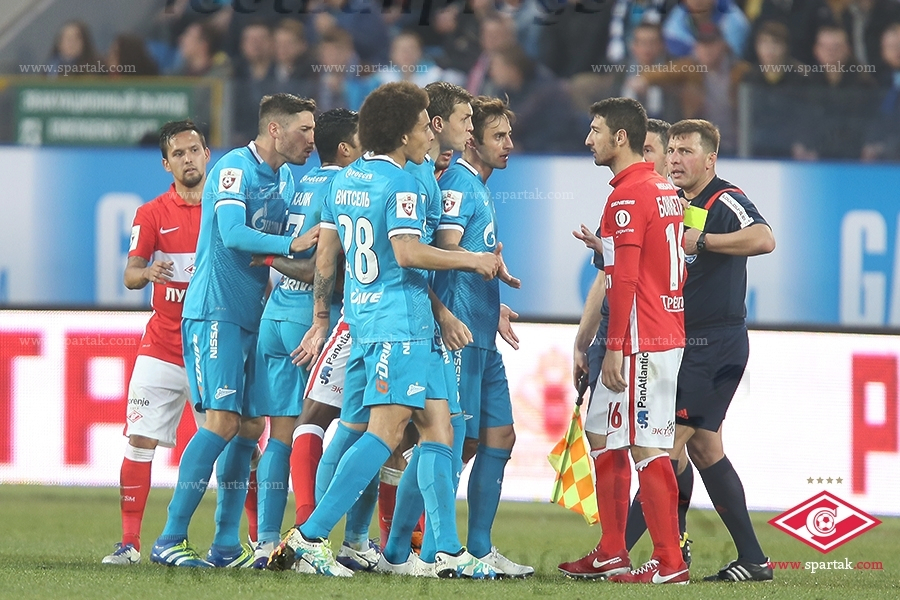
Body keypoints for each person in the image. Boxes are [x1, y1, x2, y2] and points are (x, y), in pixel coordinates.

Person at [267, 81, 501, 578]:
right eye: (421, 125)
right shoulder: (401, 184)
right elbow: (407, 253)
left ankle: (448, 550)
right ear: (401, 133)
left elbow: (327, 256)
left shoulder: (345, 180)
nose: (429, 133)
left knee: (439, 429)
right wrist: (472, 260)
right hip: (399, 324)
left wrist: (324, 318)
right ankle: (310, 536)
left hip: (368, 319)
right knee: (385, 431)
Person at [150, 93, 320, 568]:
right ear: (275, 130)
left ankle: (225, 546)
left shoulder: (286, 178)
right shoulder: (233, 169)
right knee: (222, 423)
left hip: (253, 315)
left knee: (248, 427)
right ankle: (169, 538)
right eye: (304, 129)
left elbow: (267, 253)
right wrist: (291, 243)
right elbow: (232, 233)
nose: (312, 139)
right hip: (215, 311)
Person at [560, 117, 693, 579]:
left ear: (620, 137)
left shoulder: (628, 195)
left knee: (647, 446)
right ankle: (612, 550)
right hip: (660, 329)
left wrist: (614, 347)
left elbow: (626, 279)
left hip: (642, 340)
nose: (588, 139)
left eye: (595, 130)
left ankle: (669, 561)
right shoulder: (662, 189)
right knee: (601, 432)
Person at [251, 108, 363, 568]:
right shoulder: (346, 186)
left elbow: (289, 249)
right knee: (344, 428)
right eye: (362, 140)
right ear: (346, 149)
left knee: (281, 435)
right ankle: (313, 534)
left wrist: (270, 260)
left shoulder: (303, 183)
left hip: (276, 314)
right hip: (312, 323)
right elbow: (324, 266)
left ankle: (265, 541)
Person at [664, 119, 776, 582]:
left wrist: (705, 241)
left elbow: (764, 238)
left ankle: (624, 553)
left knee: (664, 447)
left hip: (714, 344)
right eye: (671, 150)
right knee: (705, 450)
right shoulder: (676, 202)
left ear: (710, 159)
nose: (675, 159)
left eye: (686, 151)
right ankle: (753, 560)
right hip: (685, 343)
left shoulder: (724, 199)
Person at [432, 96, 533, 578]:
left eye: (509, 135)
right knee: (448, 443)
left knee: (499, 436)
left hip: (483, 333)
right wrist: (476, 272)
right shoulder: (457, 184)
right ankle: (419, 546)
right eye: (499, 136)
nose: (509, 144)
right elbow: (444, 250)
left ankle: (479, 548)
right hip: (459, 335)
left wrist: (495, 306)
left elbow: (474, 257)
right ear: (472, 140)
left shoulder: (480, 186)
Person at [101, 121, 209, 566]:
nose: (188, 159)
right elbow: (130, 275)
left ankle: (256, 543)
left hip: (212, 349)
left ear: (207, 155)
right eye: (178, 154)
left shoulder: (225, 207)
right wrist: (146, 272)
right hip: (162, 346)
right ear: (167, 164)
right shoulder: (151, 214)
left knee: (239, 444)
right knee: (139, 439)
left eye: (194, 150)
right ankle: (129, 543)